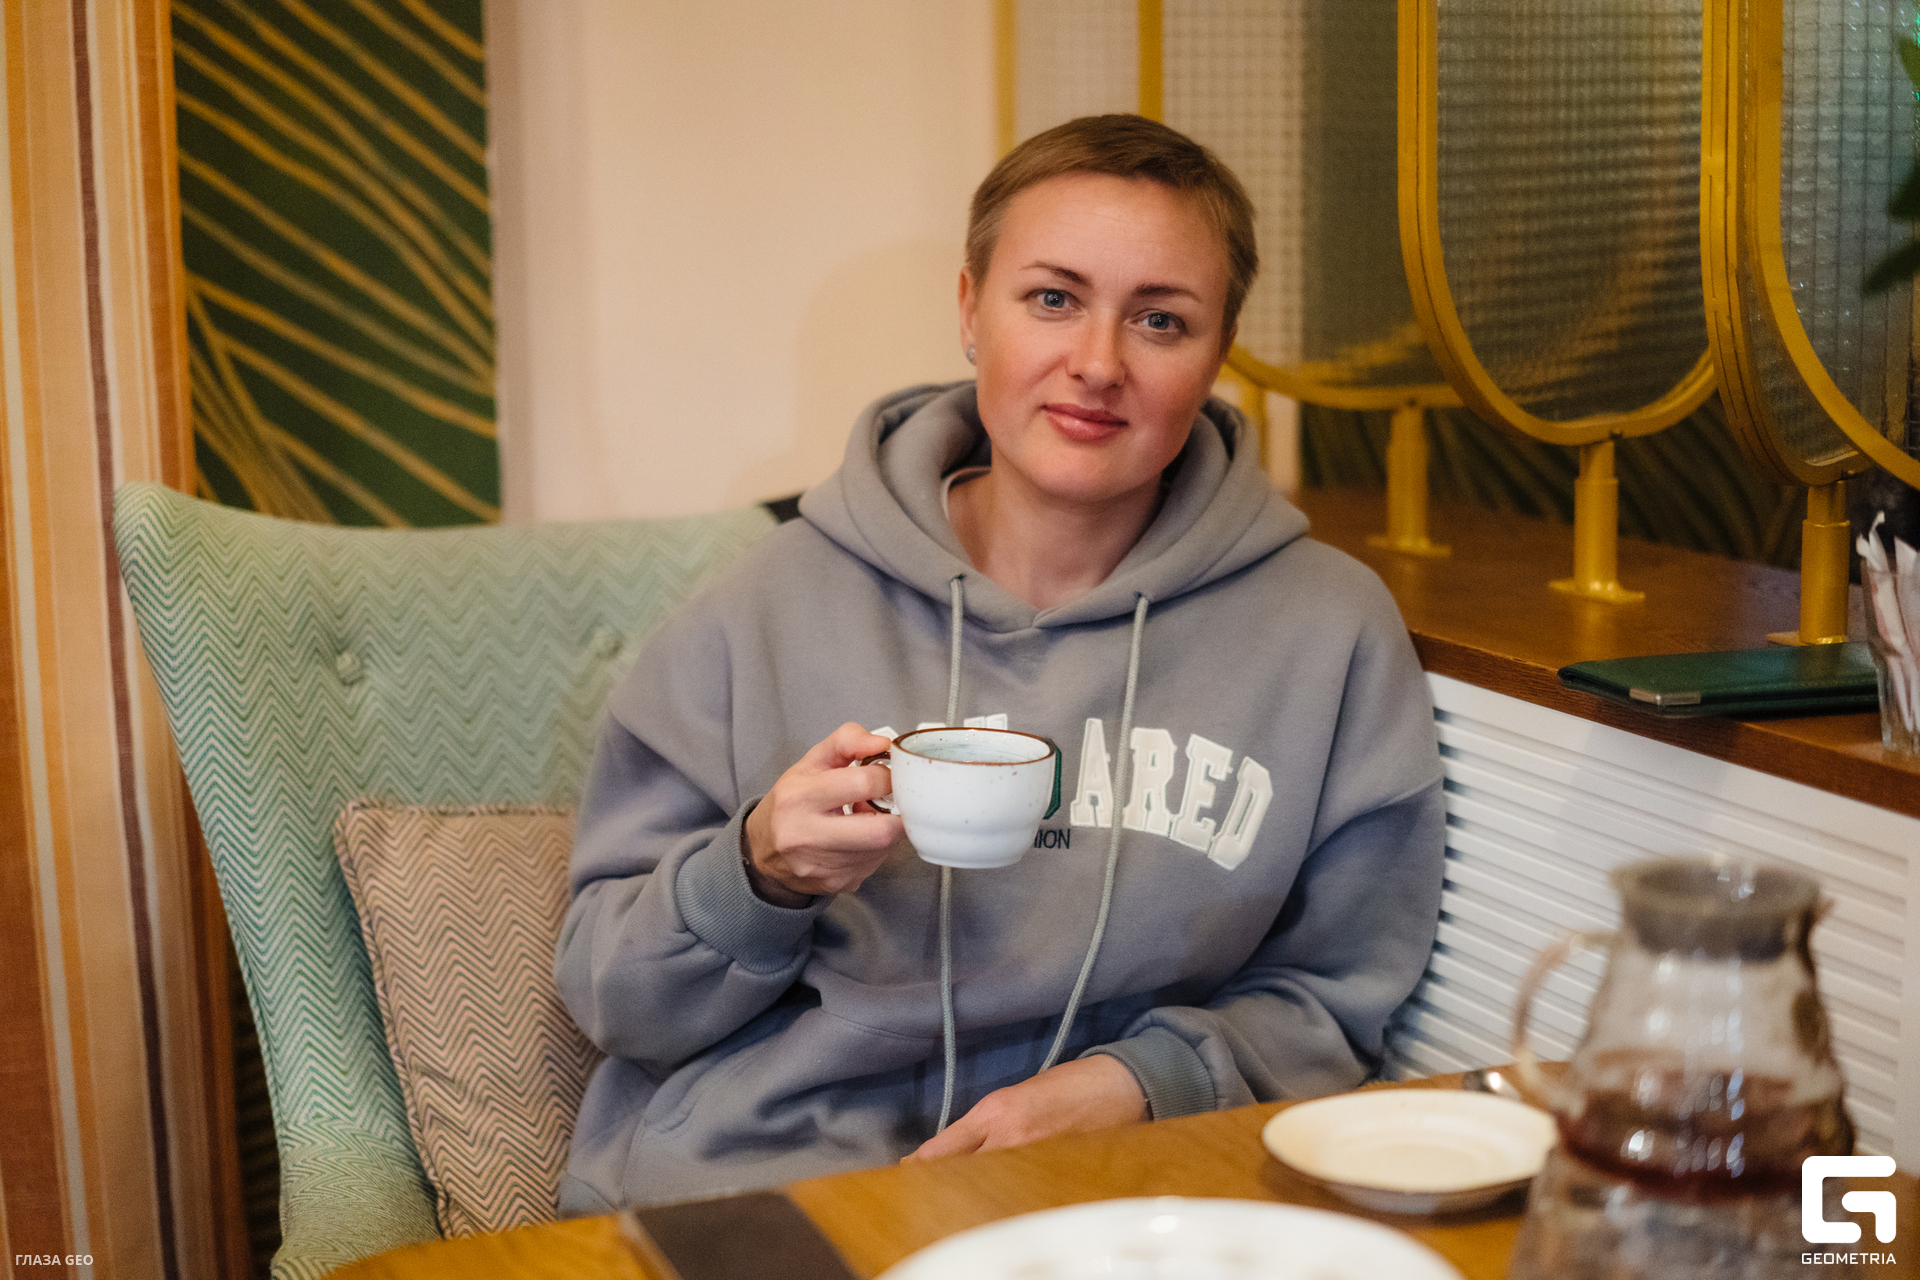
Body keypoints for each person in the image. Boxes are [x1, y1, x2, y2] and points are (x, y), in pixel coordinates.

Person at [555, 114, 1445, 1212]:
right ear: (971, 309)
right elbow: (615, 997)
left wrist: (1141, 1083)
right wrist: (757, 871)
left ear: (1218, 353)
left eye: (1161, 320)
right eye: (1054, 299)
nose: (1099, 363)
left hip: (1127, 1194)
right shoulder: (761, 606)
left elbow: (1336, 999)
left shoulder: (1328, 632)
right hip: (772, 1177)